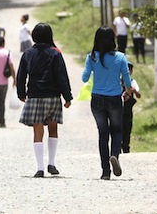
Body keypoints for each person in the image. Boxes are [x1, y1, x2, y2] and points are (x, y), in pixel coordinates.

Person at [16, 23, 72, 178]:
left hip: (35, 96)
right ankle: (51, 163)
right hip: (53, 96)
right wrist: (67, 97)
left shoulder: (28, 53)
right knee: (53, 129)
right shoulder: (55, 53)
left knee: (37, 130)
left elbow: (21, 76)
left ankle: (40, 168)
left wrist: (21, 93)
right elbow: (62, 76)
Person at [82, 26, 133, 180]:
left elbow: (84, 78)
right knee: (117, 131)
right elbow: (128, 81)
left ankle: (105, 172)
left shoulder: (91, 57)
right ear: (113, 40)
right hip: (115, 99)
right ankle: (115, 155)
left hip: (97, 99)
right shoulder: (120, 57)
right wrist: (128, 93)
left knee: (103, 134)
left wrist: (93, 71)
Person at [121, 62, 141, 154]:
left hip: (128, 109)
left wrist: (134, 91)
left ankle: (126, 146)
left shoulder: (133, 82)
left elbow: (139, 95)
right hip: (118, 109)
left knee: (128, 127)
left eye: (129, 70)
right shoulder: (117, 81)